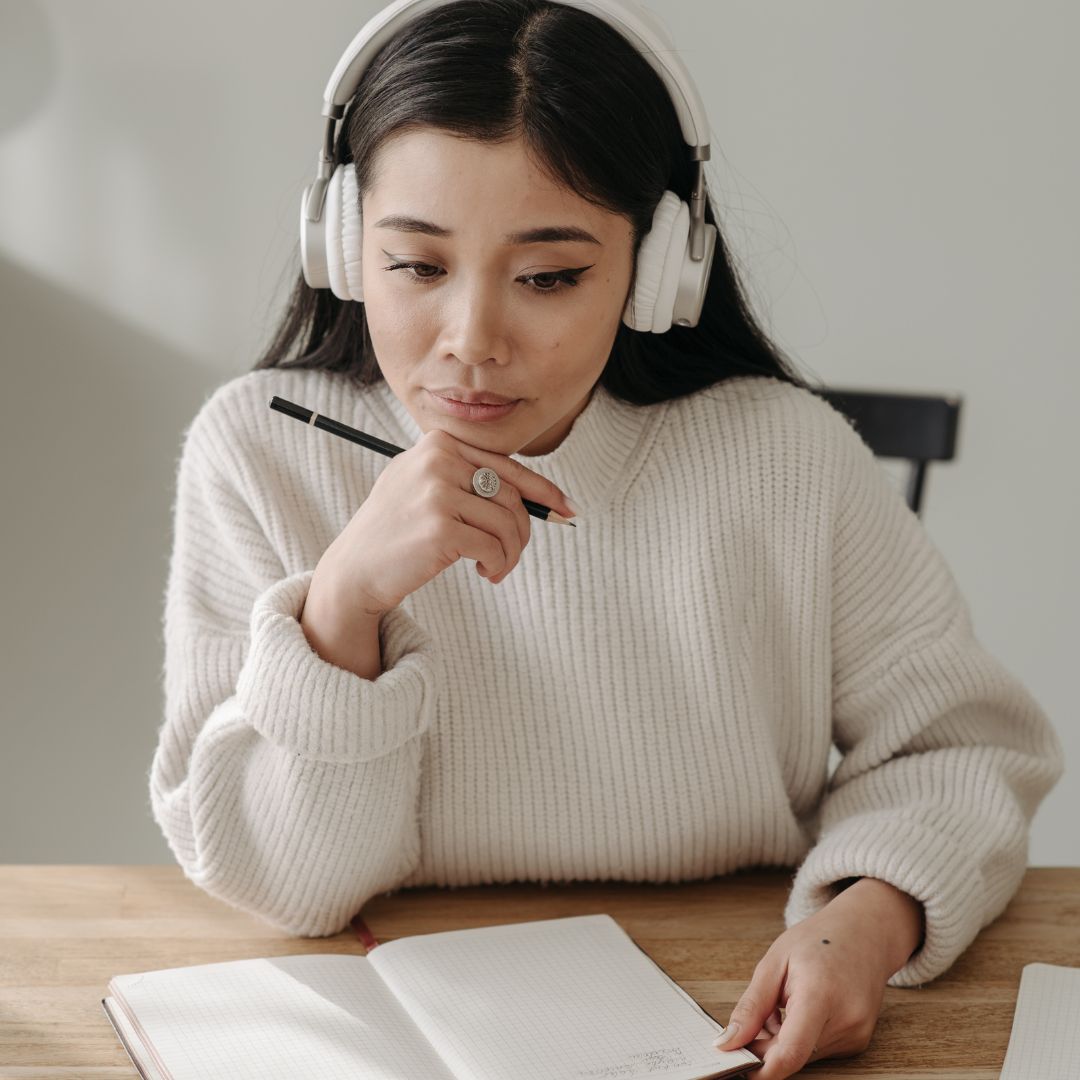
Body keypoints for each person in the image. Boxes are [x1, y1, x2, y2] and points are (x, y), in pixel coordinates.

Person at [149, 1, 1064, 1076]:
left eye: (548, 276)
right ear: (343, 248)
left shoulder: (786, 456)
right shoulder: (256, 451)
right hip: (386, 1017)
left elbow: (962, 751)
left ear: (661, 265)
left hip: (721, 1001)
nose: (472, 343)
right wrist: (342, 605)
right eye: (416, 266)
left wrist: (869, 917)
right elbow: (287, 889)